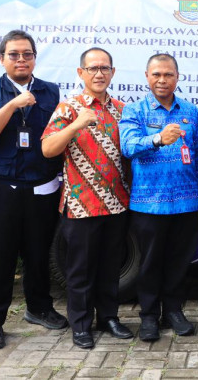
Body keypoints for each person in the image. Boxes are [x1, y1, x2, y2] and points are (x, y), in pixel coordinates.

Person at [0, 30, 67, 350]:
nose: (21, 59)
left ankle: (38, 308)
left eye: (27, 54)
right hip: (0, 186)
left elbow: (59, 137)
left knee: (38, 254)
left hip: (42, 186)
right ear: (2, 59)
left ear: (35, 58)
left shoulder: (51, 92)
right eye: (14, 54)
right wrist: (12, 104)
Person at [41, 48, 133, 349]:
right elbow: (47, 149)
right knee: (80, 269)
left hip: (116, 203)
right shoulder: (68, 108)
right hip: (81, 205)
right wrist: (77, 124)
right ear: (81, 73)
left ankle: (108, 317)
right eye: (92, 68)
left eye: (104, 68)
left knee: (110, 266)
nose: (99, 74)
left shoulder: (122, 110)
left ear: (113, 72)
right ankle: (80, 325)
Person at [120, 53, 198, 342]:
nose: (162, 80)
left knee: (179, 262)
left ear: (177, 77)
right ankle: (148, 316)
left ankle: (173, 311)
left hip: (187, 202)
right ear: (147, 77)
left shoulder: (190, 111)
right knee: (149, 263)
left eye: (168, 74)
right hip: (149, 204)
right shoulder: (134, 110)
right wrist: (158, 139)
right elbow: (128, 146)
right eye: (156, 74)